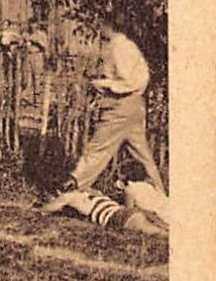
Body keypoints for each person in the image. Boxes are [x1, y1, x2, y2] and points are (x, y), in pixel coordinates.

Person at [66, 13, 166, 194]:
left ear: (110, 25)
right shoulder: (124, 45)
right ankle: (160, 194)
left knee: (97, 148)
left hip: (121, 106)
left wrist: (103, 84)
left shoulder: (119, 47)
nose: (99, 28)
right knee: (142, 154)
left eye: (102, 24)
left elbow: (129, 81)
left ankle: (72, 188)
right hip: (133, 106)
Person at [37, 186, 165, 236]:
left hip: (118, 217)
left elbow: (47, 209)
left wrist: (38, 209)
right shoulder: (91, 193)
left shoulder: (71, 196)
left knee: (161, 234)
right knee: (166, 230)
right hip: (131, 211)